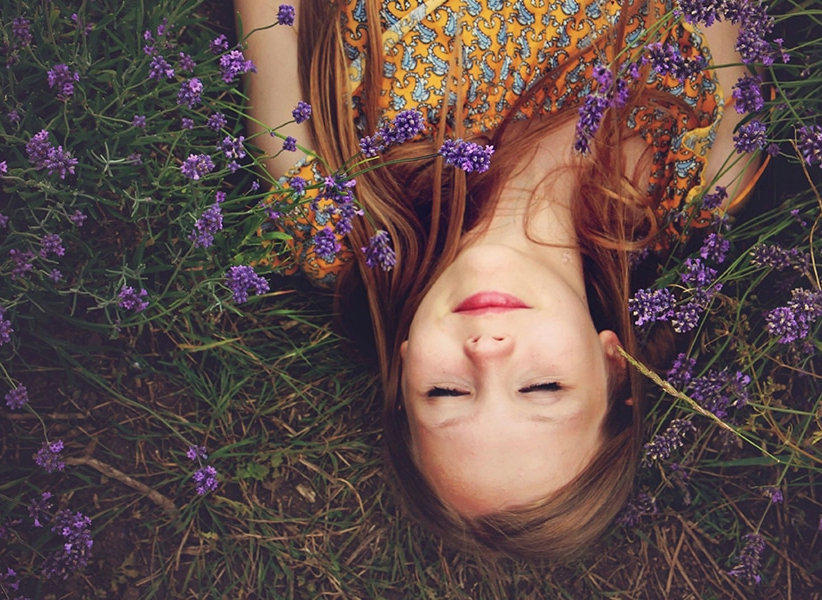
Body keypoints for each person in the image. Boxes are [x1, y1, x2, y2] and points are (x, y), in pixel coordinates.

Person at [237, 0, 763, 560]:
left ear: (405, 369)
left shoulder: (333, 214)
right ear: (613, 364)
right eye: (542, 388)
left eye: (445, 392)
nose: (487, 353)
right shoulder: (704, 171)